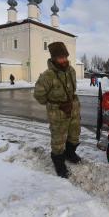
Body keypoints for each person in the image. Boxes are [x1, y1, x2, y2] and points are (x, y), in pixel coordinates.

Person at [33, 42, 81, 178]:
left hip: (73, 108)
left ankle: (70, 153)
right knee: (58, 139)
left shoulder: (71, 70)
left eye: (65, 56)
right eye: (60, 57)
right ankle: (59, 163)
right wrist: (53, 105)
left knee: (74, 134)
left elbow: (73, 88)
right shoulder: (47, 75)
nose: (64, 60)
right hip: (58, 112)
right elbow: (39, 95)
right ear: (54, 58)